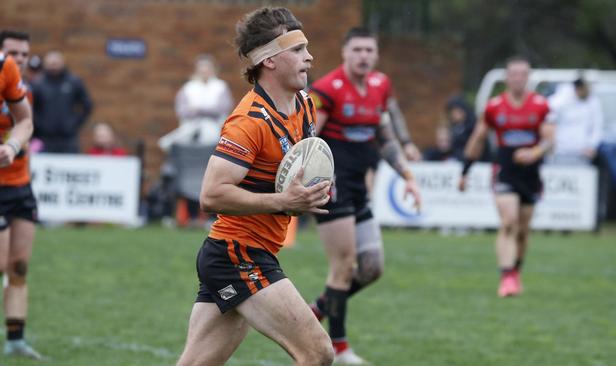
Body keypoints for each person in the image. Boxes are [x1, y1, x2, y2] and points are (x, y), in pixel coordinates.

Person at [176, 7, 333, 366]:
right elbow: (211, 194)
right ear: (270, 60)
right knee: (318, 353)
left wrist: (307, 192)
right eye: (297, 49)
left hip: (240, 252)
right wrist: (283, 201)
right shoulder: (248, 122)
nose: (309, 56)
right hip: (238, 254)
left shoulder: (305, 106)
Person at [308, 27, 421, 364]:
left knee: (371, 268)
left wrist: (408, 176)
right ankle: (340, 349)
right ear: (345, 52)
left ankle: (318, 308)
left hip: (359, 187)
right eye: (357, 50)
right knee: (343, 266)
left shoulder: (380, 86)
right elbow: (309, 140)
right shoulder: (327, 89)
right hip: (333, 187)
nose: (364, 56)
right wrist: (313, 183)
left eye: (369, 50)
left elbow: (384, 136)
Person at [458, 56, 554, 298]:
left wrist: (535, 152)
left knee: (522, 231)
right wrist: (465, 170)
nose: (518, 78)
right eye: (513, 74)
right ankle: (506, 276)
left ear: (528, 77)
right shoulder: (494, 106)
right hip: (504, 172)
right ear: (506, 78)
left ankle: (516, 271)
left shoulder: (540, 105)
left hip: (531, 176)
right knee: (508, 222)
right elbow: (478, 138)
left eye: (522, 74)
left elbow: (550, 140)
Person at [0, 30, 42, 359]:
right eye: (12, 52)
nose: (19, 59)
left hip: (20, 184)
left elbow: (25, 123)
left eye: (24, 54)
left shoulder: (22, 87)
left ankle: (15, 340)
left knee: (19, 266)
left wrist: (12, 146)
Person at [159, 54, 234, 151]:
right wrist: (208, 110)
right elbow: (182, 111)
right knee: (175, 140)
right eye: (201, 67)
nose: (204, 70)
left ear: (213, 69)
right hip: (190, 127)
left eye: (207, 67)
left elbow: (222, 109)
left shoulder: (221, 86)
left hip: (214, 127)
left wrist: (197, 109)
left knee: (208, 134)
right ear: (196, 69)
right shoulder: (188, 87)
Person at [31, 50, 93, 153]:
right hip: (44, 138)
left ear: (62, 63)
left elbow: (87, 105)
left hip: (68, 139)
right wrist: (38, 124)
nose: (54, 67)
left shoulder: (74, 82)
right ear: (45, 65)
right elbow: (30, 107)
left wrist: (74, 123)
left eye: (56, 64)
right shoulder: (38, 84)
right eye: (51, 64)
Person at [547, 77, 603, 165]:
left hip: (582, 152)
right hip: (559, 151)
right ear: (578, 88)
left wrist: (592, 145)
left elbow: (597, 125)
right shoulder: (561, 98)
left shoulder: (593, 101)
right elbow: (549, 119)